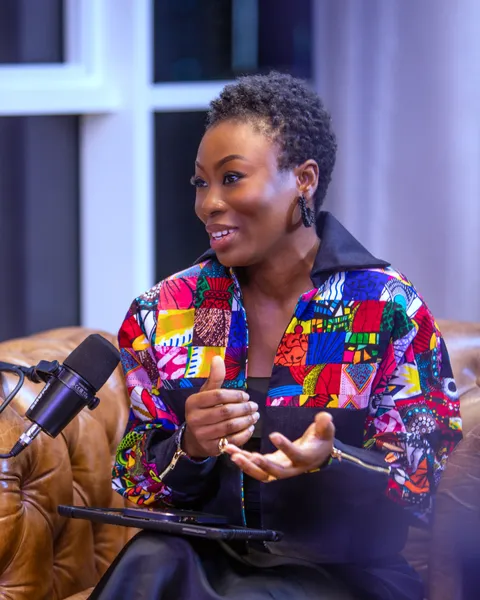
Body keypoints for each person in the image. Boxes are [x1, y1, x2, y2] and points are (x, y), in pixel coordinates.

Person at [90, 72, 462, 600]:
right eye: (201, 183)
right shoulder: (168, 311)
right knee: (149, 561)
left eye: (231, 178)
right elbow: (133, 480)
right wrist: (190, 445)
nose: (208, 204)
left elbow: (423, 478)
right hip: (202, 556)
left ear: (303, 179)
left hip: (342, 571)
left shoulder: (384, 308)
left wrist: (333, 460)